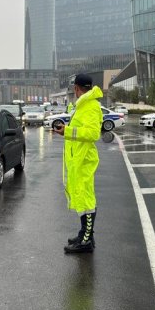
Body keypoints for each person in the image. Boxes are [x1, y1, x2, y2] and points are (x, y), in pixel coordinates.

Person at [52, 73, 102, 254]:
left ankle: (86, 240)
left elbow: (93, 133)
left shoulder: (90, 106)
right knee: (81, 198)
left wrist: (68, 131)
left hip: (83, 160)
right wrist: (67, 131)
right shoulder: (83, 106)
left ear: (76, 88)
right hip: (78, 159)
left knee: (86, 199)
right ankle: (85, 234)